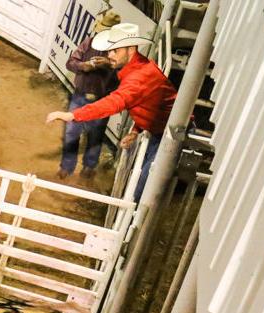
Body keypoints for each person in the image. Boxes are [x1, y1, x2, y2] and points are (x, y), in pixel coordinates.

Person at [46, 22, 177, 202]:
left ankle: (130, 221)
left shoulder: (138, 76)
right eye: (110, 50)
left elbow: (116, 101)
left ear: (130, 49)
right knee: (138, 185)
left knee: (140, 192)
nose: (110, 55)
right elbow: (151, 104)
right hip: (161, 130)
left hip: (168, 135)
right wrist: (136, 130)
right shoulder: (138, 69)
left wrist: (73, 115)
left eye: (115, 51)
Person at [57, 10, 121, 180]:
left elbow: (123, 75)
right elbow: (70, 62)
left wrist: (108, 64)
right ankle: (67, 166)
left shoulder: (119, 52)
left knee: (95, 134)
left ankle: (89, 167)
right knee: (72, 132)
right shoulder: (89, 42)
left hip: (103, 99)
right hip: (81, 95)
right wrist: (83, 66)